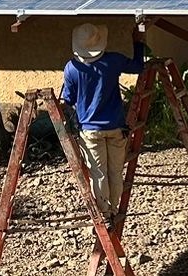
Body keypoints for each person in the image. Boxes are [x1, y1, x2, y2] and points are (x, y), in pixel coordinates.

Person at [61, 22, 146, 223]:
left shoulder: (72, 68)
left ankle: (104, 214)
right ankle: (114, 209)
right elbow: (138, 67)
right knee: (115, 172)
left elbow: (68, 99)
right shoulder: (113, 61)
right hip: (116, 126)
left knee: (98, 174)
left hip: (89, 130)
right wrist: (139, 41)